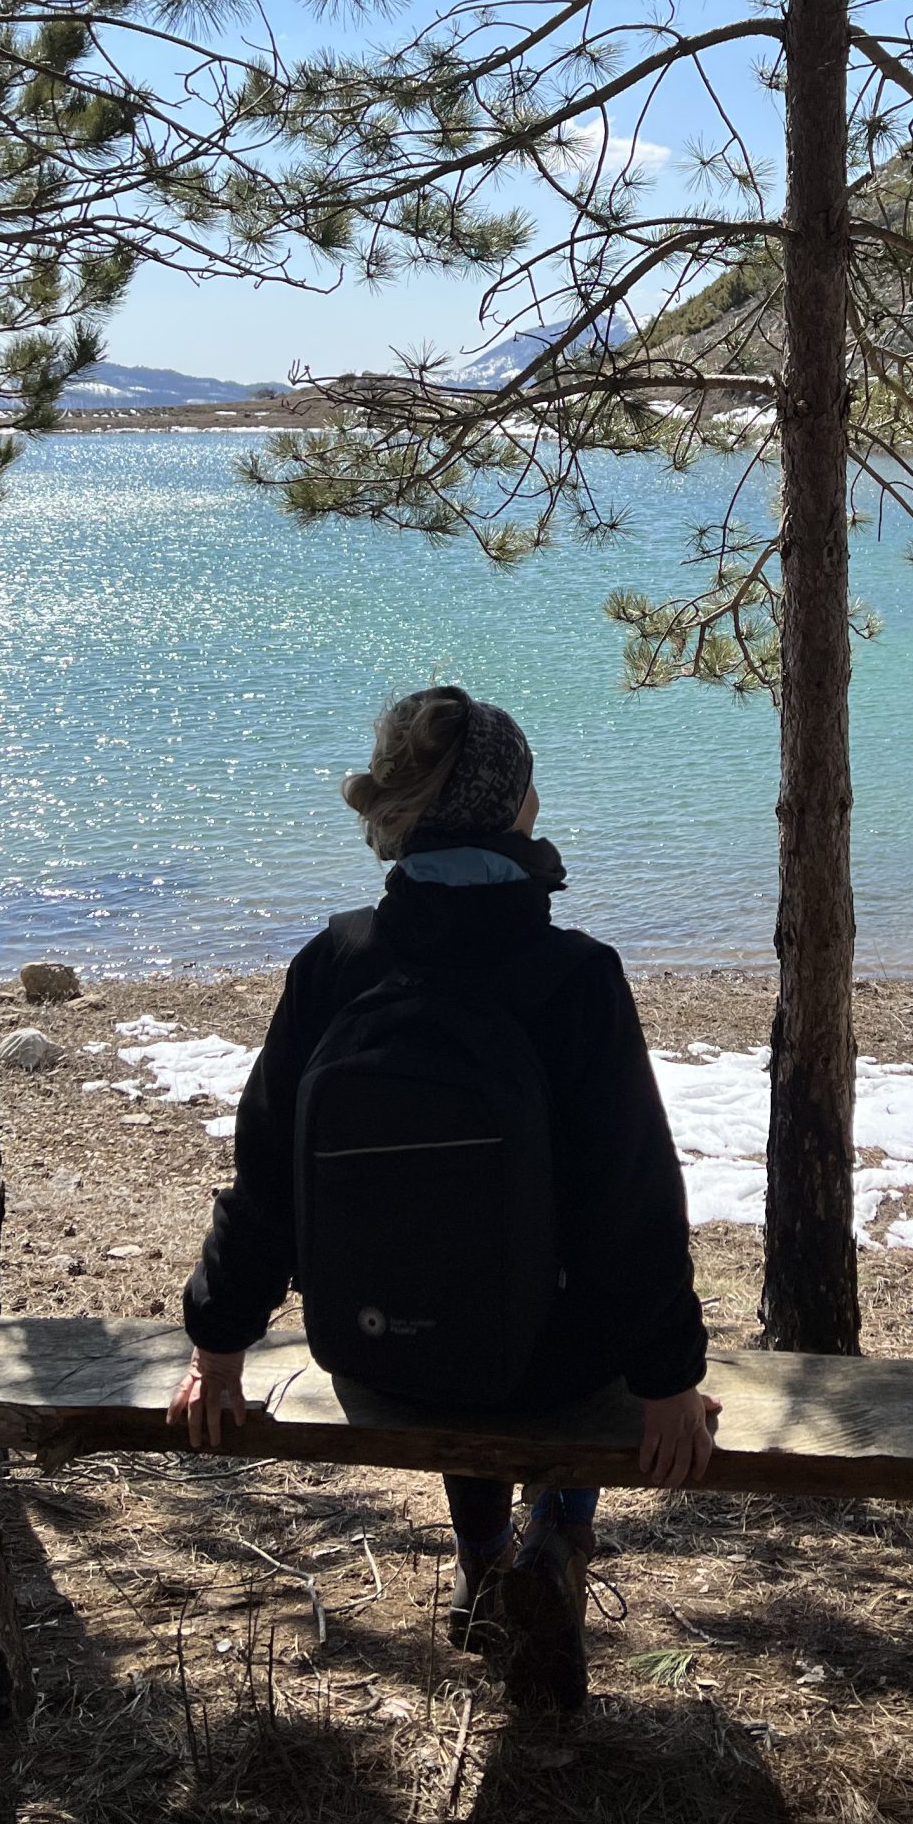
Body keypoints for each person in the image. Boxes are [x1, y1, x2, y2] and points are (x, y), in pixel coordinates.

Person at [168, 684, 719, 1711]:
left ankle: (477, 1567)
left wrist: (217, 1345)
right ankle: (555, 1530)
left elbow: (266, 1179)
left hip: (382, 1356)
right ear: (515, 810)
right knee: (540, 1304)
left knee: (444, 1270)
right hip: (550, 1364)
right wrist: (670, 1378)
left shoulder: (334, 963)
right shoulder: (575, 976)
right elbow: (631, 1202)